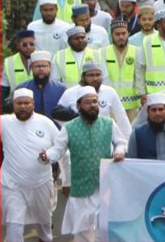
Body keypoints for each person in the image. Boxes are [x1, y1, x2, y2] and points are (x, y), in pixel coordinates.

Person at [58, 87, 126, 242]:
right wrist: (47, 156)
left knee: (103, 227)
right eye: (88, 102)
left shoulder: (109, 123)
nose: (93, 105)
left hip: (103, 183)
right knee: (82, 230)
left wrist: (119, 151)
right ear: (79, 105)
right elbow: (58, 149)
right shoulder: (69, 127)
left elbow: (121, 142)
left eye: (95, 101)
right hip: (81, 185)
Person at [0, 89, 66, 242]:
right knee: (14, 225)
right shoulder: (4, 122)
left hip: (41, 183)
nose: (23, 106)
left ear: (33, 104)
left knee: (44, 224)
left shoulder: (45, 122)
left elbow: (61, 146)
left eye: (26, 103)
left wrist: (49, 156)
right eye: (19, 103)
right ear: (14, 105)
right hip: (12, 184)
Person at [124, 92, 165, 161]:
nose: (157, 113)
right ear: (148, 112)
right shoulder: (137, 133)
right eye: (153, 110)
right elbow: (131, 161)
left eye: (161, 109)